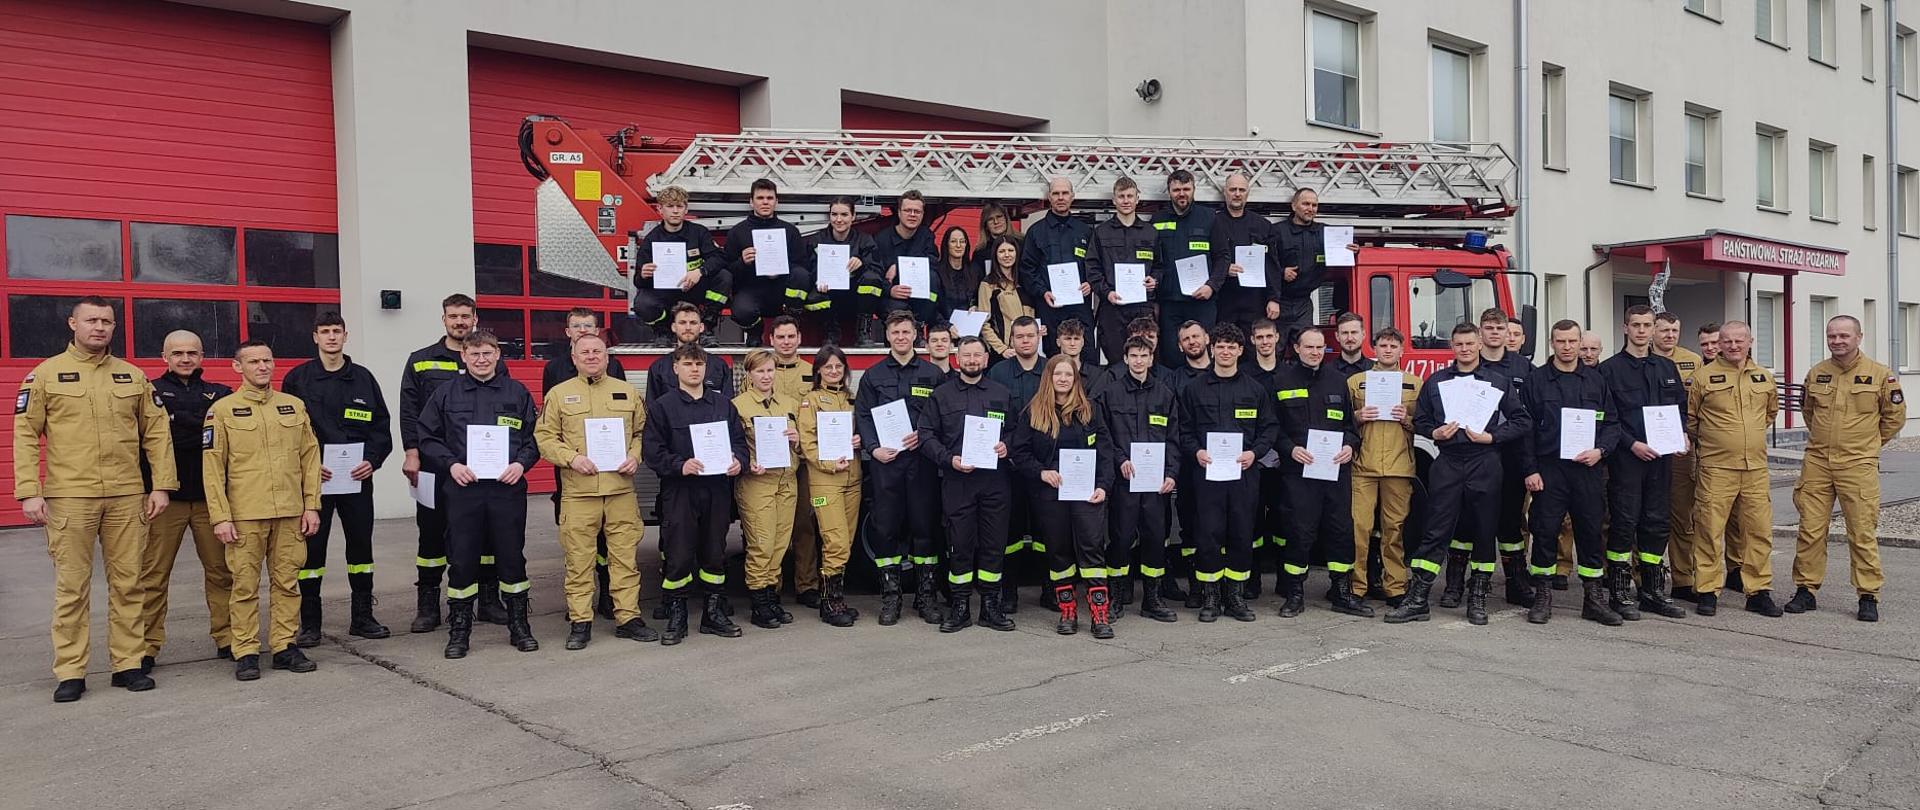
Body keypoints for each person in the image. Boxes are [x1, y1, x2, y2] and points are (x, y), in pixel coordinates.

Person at [16, 297, 175, 701]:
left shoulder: (132, 377)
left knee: (129, 584)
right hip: (71, 497)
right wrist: (29, 492)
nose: (99, 327)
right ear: (73, 323)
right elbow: (25, 435)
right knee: (72, 587)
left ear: (114, 326)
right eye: (91, 320)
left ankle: (128, 664)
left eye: (106, 321)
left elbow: (156, 433)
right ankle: (71, 671)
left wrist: (160, 485)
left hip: (126, 496)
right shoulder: (46, 376)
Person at [1386, 324, 1530, 625]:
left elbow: (1522, 420)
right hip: (1448, 460)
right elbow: (1422, 420)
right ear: (1451, 346)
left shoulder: (1498, 381)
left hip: (1484, 460)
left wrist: (1492, 438)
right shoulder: (1437, 381)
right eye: (1459, 344)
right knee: (1435, 529)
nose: (1464, 349)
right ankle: (1418, 599)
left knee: (1484, 530)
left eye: (1469, 343)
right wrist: (1434, 431)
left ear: (1479, 344)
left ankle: (1477, 597)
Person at [417, 330, 541, 658]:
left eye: (487, 353)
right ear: (464, 357)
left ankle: (519, 626)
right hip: (463, 490)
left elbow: (535, 437)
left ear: (498, 355)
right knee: (462, 558)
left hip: (506, 490)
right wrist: (451, 465)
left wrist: (521, 464)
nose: (481, 360)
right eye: (475, 354)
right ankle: (460, 631)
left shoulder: (517, 393)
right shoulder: (446, 394)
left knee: (512, 557)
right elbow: (427, 436)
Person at [204, 340, 322, 680]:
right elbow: (213, 468)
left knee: (287, 583)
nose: (262, 367)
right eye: (253, 361)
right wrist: (221, 516)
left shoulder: (293, 406)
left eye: (267, 360)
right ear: (237, 367)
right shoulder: (222, 411)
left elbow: (310, 460)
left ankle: (284, 645)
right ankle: (246, 650)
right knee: (244, 586)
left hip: (289, 512)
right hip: (245, 515)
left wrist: (311, 505)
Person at [534, 333, 651, 651]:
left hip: (620, 492)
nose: (590, 356)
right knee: (579, 561)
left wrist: (635, 456)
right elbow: (544, 437)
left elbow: (641, 432)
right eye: (583, 352)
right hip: (579, 493)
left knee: (625, 559)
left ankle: (628, 618)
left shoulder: (626, 392)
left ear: (607, 357)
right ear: (573, 358)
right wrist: (572, 459)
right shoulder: (558, 395)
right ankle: (580, 621)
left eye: (596, 351)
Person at [282, 313, 393, 647]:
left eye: (337, 332)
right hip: (315, 483)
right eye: (325, 332)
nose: (331, 337)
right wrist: (308, 468)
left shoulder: (363, 379)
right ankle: (310, 624)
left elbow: (381, 427)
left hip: (356, 480)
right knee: (311, 553)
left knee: (361, 548)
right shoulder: (298, 379)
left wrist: (372, 461)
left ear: (346, 336)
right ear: (315, 337)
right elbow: (287, 433)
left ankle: (362, 617)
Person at [1790, 316, 1905, 622]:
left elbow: (1893, 418)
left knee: (1861, 531)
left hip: (1858, 464)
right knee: (1811, 530)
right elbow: (1809, 412)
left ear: (1858, 337)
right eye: (1832, 335)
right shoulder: (1817, 373)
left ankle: (1868, 594)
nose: (1837, 341)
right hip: (1817, 462)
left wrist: (1868, 445)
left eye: (1843, 335)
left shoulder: (1880, 375)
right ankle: (1806, 590)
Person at [137, 330, 234, 673]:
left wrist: (181, 427)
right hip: (165, 500)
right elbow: (144, 442)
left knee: (222, 572)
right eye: (177, 353)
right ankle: (146, 647)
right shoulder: (148, 392)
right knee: (153, 575)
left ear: (202, 356)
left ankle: (228, 637)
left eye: (192, 353)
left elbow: (227, 440)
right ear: (164, 357)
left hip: (211, 500)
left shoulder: (221, 394)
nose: (185, 359)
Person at [1518, 320, 1623, 625]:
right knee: (1545, 531)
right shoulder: (1536, 381)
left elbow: (1612, 424)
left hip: (1586, 469)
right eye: (1561, 341)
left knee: (1590, 532)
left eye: (1572, 341)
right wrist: (1530, 470)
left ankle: (1593, 599)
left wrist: (1600, 451)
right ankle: (1542, 597)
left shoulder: (1596, 381)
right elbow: (1525, 431)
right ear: (1552, 343)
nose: (1567, 347)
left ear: (1580, 343)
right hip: (1549, 470)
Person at [644, 343, 750, 644]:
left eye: (699, 364)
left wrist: (737, 462)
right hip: (680, 491)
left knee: (714, 551)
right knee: (678, 554)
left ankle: (713, 613)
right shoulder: (662, 407)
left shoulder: (723, 406)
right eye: (688, 364)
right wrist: (680, 465)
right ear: (675, 368)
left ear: (706, 369)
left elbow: (739, 443)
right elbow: (652, 450)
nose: (694, 369)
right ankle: (677, 615)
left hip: (716, 489)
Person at [399, 294, 492, 633]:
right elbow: (409, 412)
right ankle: (428, 605)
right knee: (431, 534)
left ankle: (489, 599)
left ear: (474, 319)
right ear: (444, 320)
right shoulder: (422, 361)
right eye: (453, 316)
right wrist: (412, 451)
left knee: (483, 534)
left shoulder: (487, 357)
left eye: (465, 316)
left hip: (480, 467)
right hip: (434, 465)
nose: (459, 322)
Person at [1177, 323, 1279, 622]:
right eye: (1220, 346)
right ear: (1212, 348)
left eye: (1231, 347)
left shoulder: (1254, 389)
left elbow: (1269, 428)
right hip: (1206, 474)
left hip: (1243, 474)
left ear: (1239, 350)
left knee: (1241, 533)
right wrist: (1196, 451)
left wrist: (1254, 453)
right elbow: (1183, 429)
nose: (1225, 351)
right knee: (1208, 534)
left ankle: (1235, 596)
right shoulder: (1193, 389)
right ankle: (1210, 597)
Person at [854, 312, 948, 625]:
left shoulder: (933, 374)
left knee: (925, 529)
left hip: (921, 463)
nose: (901, 337)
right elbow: (864, 415)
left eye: (906, 332)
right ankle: (890, 599)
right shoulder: (873, 375)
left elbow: (943, 415)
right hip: (887, 463)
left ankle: (926, 597)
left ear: (915, 335)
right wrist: (872, 448)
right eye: (895, 332)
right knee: (886, 529)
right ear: (888, 336)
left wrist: (925, 436)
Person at [1013, 354, 1116, 637]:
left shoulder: (1090, 411)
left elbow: (1106, 453)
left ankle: (1099, 615)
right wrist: (1041, 472)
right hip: (1050, 495)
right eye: (1058, 374)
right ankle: (1068, 611)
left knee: (1092, 551)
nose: (1063, 379)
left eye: (1068, 375)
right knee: (1058, 554)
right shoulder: (1033, 412)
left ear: (1075, 379)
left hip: (1087, 495)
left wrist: (1103, 486)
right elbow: (1019, 453)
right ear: (1049, 377)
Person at [920, 336, 1018, 633]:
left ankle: (990, 606)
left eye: (978, 355)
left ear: (986, 359)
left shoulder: (1002, 394)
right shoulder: (942, 395)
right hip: (957, 480)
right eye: (967, 355)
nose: (972, 360)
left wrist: (1006, 446)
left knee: (993, 544)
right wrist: (948, 460)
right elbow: (926, 435)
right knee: (960, 545)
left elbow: (1017, 431)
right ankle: (960, 606)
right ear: (957, 358)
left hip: (995, 481)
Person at [1597, 309, 1690, 619]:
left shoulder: (1665, 367)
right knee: (1623, 523)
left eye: (1646, 325)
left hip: (1661, 459)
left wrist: (1681, 436)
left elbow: (1679, 409)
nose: (1641, 330)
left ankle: (1652, 591)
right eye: (1635, 325)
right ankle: (1620, 591)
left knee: (1656, 522)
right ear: (1625, 328)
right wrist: (1631, 444)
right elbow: (1607, 419)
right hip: (1627, 459)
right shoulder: (1609, 370)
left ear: (1653, 329)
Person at [1686, 321, 1781, 617]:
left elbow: (1770, 413)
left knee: (1758, 531)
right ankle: (1707, 590)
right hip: (1716, 468)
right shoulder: (1703, 377)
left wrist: (1744, 439)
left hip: (1754, 468)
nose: (1733, 346)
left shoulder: (1763, 377)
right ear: (1720, 343)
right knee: (1709, 530)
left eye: (1739, 340)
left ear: (1750, 341)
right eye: (1727, 341)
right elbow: (1692, 420)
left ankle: (1758, 590)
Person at [541, 308, 630, 621]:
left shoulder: (619, 375)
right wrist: (572, 459)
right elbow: (549, 431)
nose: (582, 332)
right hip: (576, 477)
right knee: (578, 548)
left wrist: (632, 455)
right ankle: (579, 613)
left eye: (588, 327)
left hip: (614, 477)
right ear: (569, 335)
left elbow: (631, 425)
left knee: (615, 548)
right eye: (576, 327)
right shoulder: (555, 373)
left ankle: (612, 601)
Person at [1271, 327, 1366, 618]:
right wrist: (1290, 449)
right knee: (1299, 532)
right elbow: (1272, 428)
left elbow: (1351, 428)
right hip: (1299, 473)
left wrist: (1350, 446)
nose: (1314, 352)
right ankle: (1295, 593)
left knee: (1340, 531)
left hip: (1335, 472)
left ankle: (1341, 591)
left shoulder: (1339, 382)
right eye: (1309, 347)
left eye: (1320, 348)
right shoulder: (1280, 381)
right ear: (1296, 349)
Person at [1098, 336, 1181, 622]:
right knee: (1120, 539)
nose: (1138, 361)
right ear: (1125, 358)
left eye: (1144, 355)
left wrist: (1171, 473)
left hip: (1156, 484)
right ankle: (1117, 597)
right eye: (1133, 355)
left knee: (1156, 538)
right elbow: (1104, 435)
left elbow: (1173, 439)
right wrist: (1119, 459)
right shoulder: (1110, 394)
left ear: (1151, 358)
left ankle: (1152, 599)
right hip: (1125, 482)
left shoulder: (1165, 395)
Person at [1349, 327, 1421, 608]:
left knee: (1395, 530)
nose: (1388, 350)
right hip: (1363, 465)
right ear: (1373, 349)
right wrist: (1357, 416)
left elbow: (1427, 424)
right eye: (1383, 345)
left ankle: (1396, 586)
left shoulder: (1415, 383)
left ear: (1402, 350)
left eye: (1393, 345)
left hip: (1399, 466)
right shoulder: (1356, 382)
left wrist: (1409, 419)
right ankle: (1357, 586)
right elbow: (1342, 422)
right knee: (1359, 528)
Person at [733, 349, 803, 629]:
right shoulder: (737, 406)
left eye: (770, 370)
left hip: (787, 481)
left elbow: (805, 444)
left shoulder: (790, 403)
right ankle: (759, 601)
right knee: (761, 544)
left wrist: (797, 439)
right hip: (757, 483)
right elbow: (735, 445)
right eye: (760, 371)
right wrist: (749, 463)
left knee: (780, 545)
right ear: (749, 374)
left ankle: (771, 595)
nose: (766, 376)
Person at [795, 345, 863, 626]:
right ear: (819, 371)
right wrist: (828, 465)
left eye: (838, 367)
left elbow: (863, 431)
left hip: (853, 479)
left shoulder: (852, 399)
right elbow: (807, 444)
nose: (834, 371)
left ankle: (838, 597)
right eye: (828, 367)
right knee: (834, 541)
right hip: (825, 482)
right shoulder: (810, 402)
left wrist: (860, 439)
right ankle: (829, 603)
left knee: (845, 542)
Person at [1476, 308, 1537, 609]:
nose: (1495, 333)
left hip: (1513, 454)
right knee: (1477, 520)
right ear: (1480, 332)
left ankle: (1516, 582)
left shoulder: (1524, 368)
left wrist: (1530, 465)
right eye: (1489, 328)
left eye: (1500, 328)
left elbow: (1531, 419)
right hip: (1477, 455)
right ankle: (1478, 583)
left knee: (1512, 522)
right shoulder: (1469, 366)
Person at [986, 316, 1048, 610]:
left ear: (1038, 338)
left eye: (1030, 336)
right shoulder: (997, 372)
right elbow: (988, 416)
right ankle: (1007, 592)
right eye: (1019, 336)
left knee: (1047, 531)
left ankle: (1049, 590)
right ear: (1011, 340)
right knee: (1008, 532)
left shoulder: (1052, 369)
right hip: (1007, 465)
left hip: (1043, 465)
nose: (1025, 341)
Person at [766, 316, 823, 608]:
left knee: (804, 524)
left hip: (801, 462)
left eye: (791, 336)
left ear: (799, 339)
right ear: (771, 340)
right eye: (780, 337)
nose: (786, 342)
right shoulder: (762, 370)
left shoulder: (812, 372)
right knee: (771, 526)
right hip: (769, 464)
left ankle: (807, 585)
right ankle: (770, 586)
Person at [1654, 312, 1709, 600]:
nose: (1669, 335)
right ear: (1653, 332)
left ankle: (1683, 579)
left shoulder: (1693, 360)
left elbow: (1697, 404)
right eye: (1663, 330)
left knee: (1682, 516)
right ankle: (1644, 576)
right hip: (1648, 447)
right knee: (1646, 515)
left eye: (1674, 330)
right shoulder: (1641, 360)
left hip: (1681, 447)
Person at [634, 185, 730, 343]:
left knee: (724, 276)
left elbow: (719, 258)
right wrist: (643, 274)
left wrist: (700, 271)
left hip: (693, 287)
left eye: (679, 206)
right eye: (670, 206)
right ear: (660, 209)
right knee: (642, 303)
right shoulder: (651, 239)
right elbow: (638, 281)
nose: (675, 211)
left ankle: (706, 329)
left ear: (686, 209)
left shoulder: (699, 232)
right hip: (665, 292)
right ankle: (663, 331)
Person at [723, 178, 811, 345]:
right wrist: (742, 261)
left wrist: (783, 267)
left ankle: (790, 324)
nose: (765, 202)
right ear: (751, 202)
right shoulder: (738, 232)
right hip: (752, 289)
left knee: (800, 275)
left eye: (770, 198)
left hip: (783, 291)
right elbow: (727, 270)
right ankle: (755, 332)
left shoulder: (790, 231)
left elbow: (803, 267)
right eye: (760, 198)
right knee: (742, 311)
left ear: (776, 202)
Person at [1088, 176, 1160, 365]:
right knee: (1116, 361)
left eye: (1130, 196)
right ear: (1114, 200)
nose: (1126, 200)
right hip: (1112, 308)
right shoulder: (1101, 232)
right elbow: (1092, 268)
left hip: (1142, 308)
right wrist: (1106, 292)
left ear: (1137, 198)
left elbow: (1160, 265)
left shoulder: (1150, 232)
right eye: (1121, 196)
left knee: (1143, 358)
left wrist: (1155, 280)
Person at [1154, 170, 1223, 366]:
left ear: (1194, 190)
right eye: (1176, 189)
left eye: (1186, 189)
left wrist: (1212, 286)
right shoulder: (1157, 220)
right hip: (1170, 302)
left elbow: (1222, 257)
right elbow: (1154, 261)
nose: (1181, 194)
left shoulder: (1209, 217)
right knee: (1170, 354)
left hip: (1202, 302)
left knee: (1203, 355)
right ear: (1169, 191)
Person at [1020, 177, 1096, 355]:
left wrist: (1091, 283)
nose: (1060, 197)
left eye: (1065, 193)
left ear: (1072, 196)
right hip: (1050, 307)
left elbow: (1095, 265)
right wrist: (1042, 291)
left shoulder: (1085, 231)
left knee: (1086, 354)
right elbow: (1027, 269)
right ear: (1049, 197)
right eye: (1056, 193)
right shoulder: (1035, 232)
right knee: (1053, 355)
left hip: (1080, 307)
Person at [1245, 319, 1286, 600]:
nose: (1264, 342)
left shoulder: (1290, 374)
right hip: (1256, 460)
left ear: (1277, 338)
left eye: (1269, 336)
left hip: (1286, 460)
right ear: (1252, 341)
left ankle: (1285, 581)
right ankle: (1253, 580)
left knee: (1285, 523)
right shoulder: (1245, 375)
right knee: (1253, 523)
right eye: (1259, 337)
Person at [1212, 172, 1280, 333]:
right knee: (1225, 346)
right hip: (1223, 300)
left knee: (1252, 349)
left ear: (1247, 193)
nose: (1237, 194)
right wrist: (1223, 270)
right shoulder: (1213, 223)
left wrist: (1274, 298)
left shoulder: (1263, 225)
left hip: (1254, 300)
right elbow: (1206, 258)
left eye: (1241, 190)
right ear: (1224, 192)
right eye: (1233, 189)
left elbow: (1272, 265)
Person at [810, 196, 882, 346]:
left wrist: (861, 265)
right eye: (834, 214)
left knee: (872, 280)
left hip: (855, 297)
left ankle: (863, 331)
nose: (838, 219)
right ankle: (830, 332)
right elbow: (808, 268)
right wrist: (817, 279)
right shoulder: (817, 240)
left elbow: (877, 270)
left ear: (853, 216)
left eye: (844, 214)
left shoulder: (865, 240)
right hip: (828, 294)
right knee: (814, 297)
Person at [872, 190, 944, 329]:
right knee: (899, 312)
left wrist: (899, 266)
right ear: (899, 212)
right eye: (907, 210)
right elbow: (874, 272)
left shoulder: (926, 236)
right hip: (891, 298)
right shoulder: (882, 239)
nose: (912, 215)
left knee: (933, 278)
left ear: (922, 214)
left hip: (919, 298)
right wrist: (890, 290)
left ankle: (920, 325)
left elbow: (933, 262)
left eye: (917, 211)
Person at [1272, 188, 1337, 338]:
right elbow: (1263, 263)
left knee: (1306, 348)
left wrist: (1353, 248)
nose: (1310, 209)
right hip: (1279, 301)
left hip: (1304, 303)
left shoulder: (1325, 232)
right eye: (1306, 204)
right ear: (1294, 206)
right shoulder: (1277, 231)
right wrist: (1281, 272)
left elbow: (1346, 243)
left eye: (1314, 205)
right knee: (1275, 350)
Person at [646, 302, 734, 402]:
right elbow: (653, 409)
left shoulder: (719, 366)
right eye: (682, 323)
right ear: (673, 327)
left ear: (701, 327)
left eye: (693, 323)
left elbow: (728, 407)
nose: (688, 327)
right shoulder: (658, 368)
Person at [978, 236, 1034, 360]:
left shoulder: (1025, 282)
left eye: (1010, 250)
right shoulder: (988, 284)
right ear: (995, 255)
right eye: (1002, 251)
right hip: (1004, 354)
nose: (1007, 255)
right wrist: (1002, 349)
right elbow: (984, 323)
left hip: (1029, 350)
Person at [935, 226, 981, 327]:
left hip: (970, 328)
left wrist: (976, 306)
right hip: (943, 330)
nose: (958, 245)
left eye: (962, 241)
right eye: (953, 241)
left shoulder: (975, 271)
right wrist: (947, 326)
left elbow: (979, 297)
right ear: (946, 245)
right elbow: (932, 308)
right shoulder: (937, 272)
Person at [973, 201, 1022, 266]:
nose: (996, 222)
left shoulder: (1022, 244)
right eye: (990, 219)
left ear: (1006, 219)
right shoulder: (980, 252)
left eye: (999, 217)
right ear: (985, 225)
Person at [1331, 312, 1371, 378]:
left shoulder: (1376, 371)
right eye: (1345, 333)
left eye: (1354, 332)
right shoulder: (1324, 373)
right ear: (1337, 336)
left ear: (1363, 334)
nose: (1349, 338)